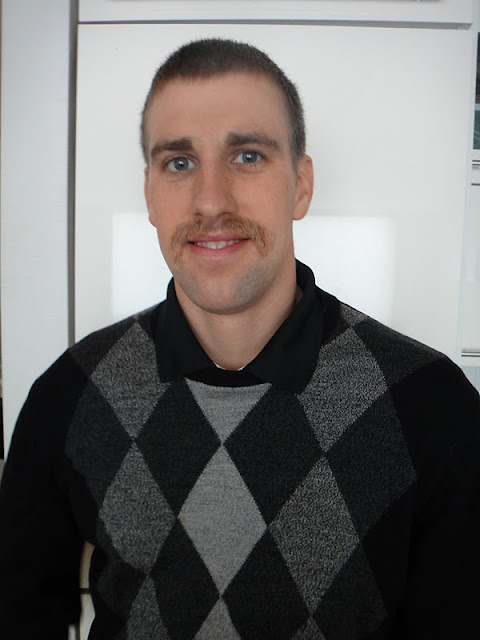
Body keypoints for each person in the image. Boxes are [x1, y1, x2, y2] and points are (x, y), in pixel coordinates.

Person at [0, 38, 479, 640]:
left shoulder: (431, 405)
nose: (210, 200)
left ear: (300, 185)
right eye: (179, 163)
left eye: (247, 156)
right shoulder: (71, 394)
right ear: (150, 195)